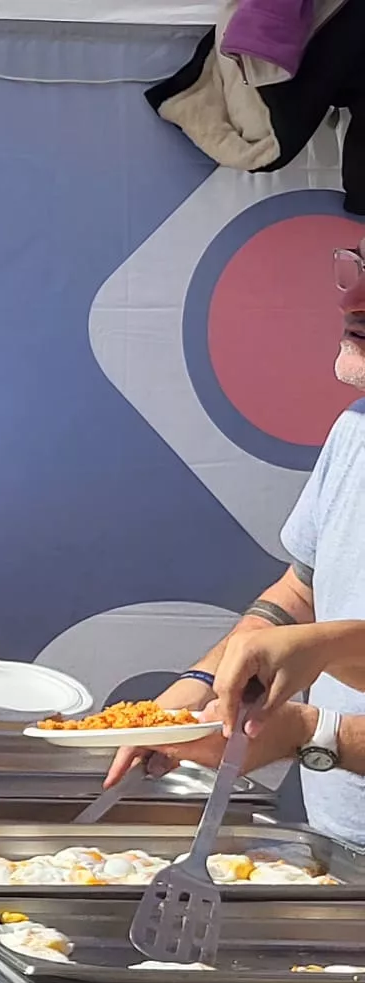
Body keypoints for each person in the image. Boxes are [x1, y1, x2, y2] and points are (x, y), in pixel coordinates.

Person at [111, 232, 365, 846]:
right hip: (339, 846)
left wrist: (313, 732)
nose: (353, 301)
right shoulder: (356, 427)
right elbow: (300, 594)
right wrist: (199, 687)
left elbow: (317, 641)